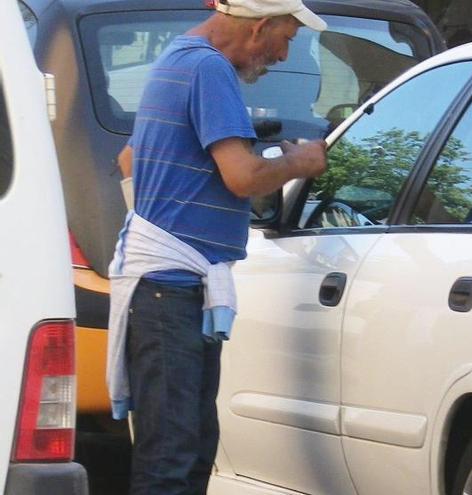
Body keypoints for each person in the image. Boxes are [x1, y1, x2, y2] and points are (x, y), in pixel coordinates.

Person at [107, 1, 328, 493]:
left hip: (169, 284)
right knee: (175, 453)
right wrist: (301, 162)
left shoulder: (177, 58)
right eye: (287, 37)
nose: (284, 53)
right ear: (261, 27)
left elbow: (129, 159)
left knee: (186, 443)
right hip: (171, 287)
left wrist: (166, 216)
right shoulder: (209, 69)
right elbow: (243, 176)